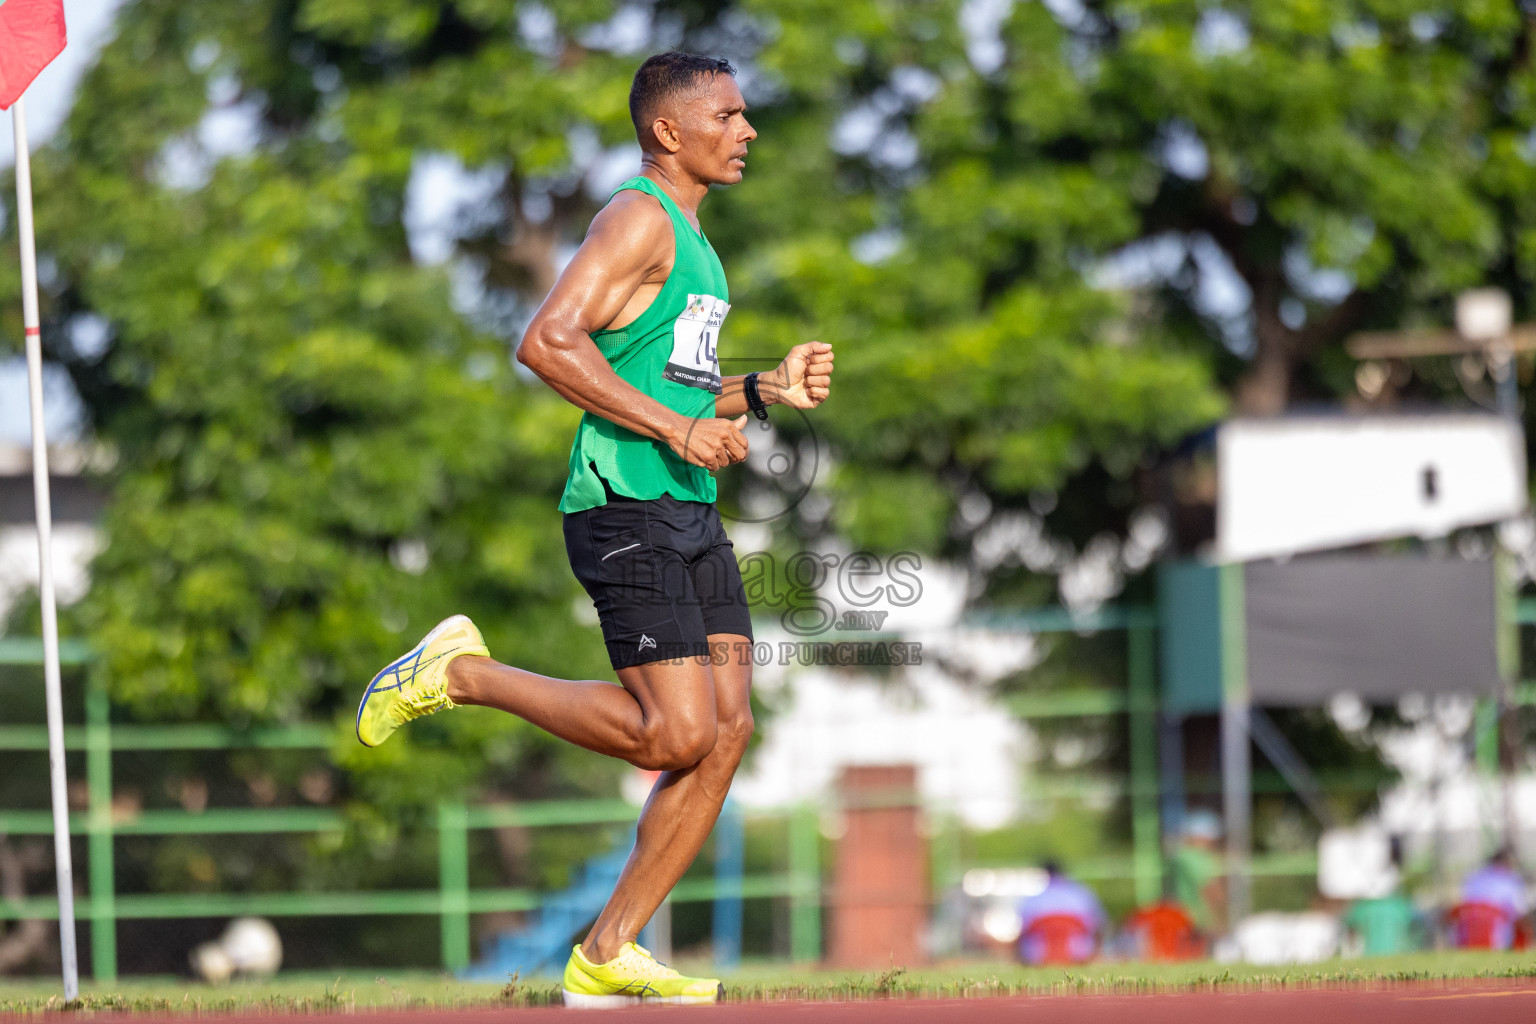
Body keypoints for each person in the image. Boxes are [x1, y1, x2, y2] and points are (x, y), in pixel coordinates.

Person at [353, 52, 835, 1006]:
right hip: (622, 507)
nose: (747, 132)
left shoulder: (695, 239)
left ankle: (609, 951)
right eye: (730, 116)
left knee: (728, 731)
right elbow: (545, 341)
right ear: (670, 131)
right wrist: (677, 429)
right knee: (674, 735)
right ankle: (458, 675)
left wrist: (759, 390)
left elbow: (672, 381)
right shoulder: (638, 217)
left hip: (687, 511)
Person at [1015, 860, 1106, 965]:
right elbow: (1099, 927)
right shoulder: (1081, 894)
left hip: (1039, 954)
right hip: (1077, 953)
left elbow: (1022, 931)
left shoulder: (1033, 898)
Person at [1167, 809, 1227, 934]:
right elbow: (1212, 890)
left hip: (1183, 915)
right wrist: (1219, 920)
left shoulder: (1181, 856)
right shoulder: (1199, 858)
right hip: (1201, 920)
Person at [1459, 846, 1528, 950]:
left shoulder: (1473, 877)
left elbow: (1464, 903)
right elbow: (1519, 913)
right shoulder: (1511, 880)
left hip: (1468, 937)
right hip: (1498, 939)